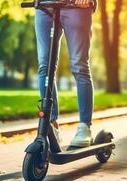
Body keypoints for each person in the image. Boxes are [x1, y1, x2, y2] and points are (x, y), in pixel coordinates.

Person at [35, 0, 96, 147]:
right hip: (45, 6)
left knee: (79, 65)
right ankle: (51, 124)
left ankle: (84, 127)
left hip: (77, 6)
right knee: (45, 66)